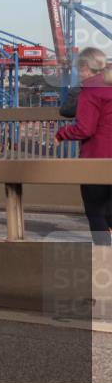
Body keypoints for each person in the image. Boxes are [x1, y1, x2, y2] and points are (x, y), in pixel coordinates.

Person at [56, 49, 112, 246]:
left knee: (95, 210)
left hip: (96, 159)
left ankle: (105, 257)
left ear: (86, 67)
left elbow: (85, 129)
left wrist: (61, 134)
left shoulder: (90, 91)